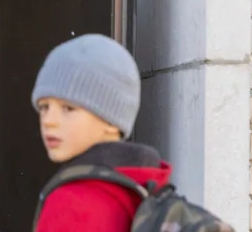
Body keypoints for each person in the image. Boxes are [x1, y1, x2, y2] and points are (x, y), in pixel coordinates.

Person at [31, 34, 172, 232]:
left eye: (68, 108)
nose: (48, 121)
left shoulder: (72, 202)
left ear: (111, 122)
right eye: (44, 107)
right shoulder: (149, 189)